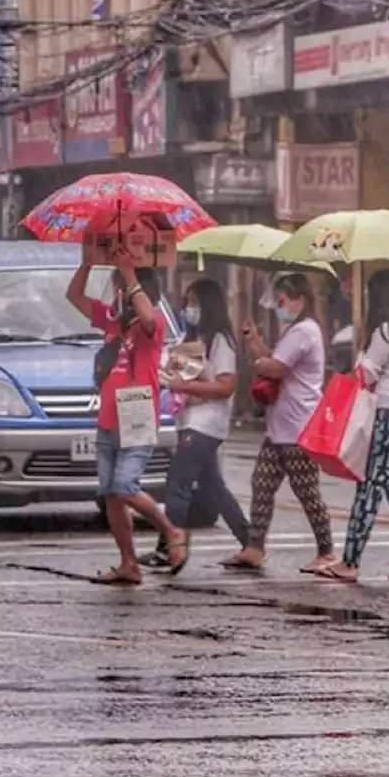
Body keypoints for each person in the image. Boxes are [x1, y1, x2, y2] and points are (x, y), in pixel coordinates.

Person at [65, 249, 188, 585]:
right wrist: (88, 262)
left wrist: (130, 274)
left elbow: (148, 318)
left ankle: (172, 532)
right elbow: (73, 296)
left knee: (125, 485)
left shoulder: (154, 325)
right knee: (110, 494)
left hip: (136, 416)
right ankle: (128, 563)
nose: (116, 290)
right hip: (107, 418)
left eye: (120, 285)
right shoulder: (112, 321)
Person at [317, 269, 389, 582]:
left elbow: (366, 376)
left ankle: (350, 562)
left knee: (369, 486)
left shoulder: (384, 332)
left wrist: (362, 355)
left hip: (388, 414)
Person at [223, 273, 334, 573]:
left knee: (307, 492)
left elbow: (276, 367)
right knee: (262, 484)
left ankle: (327, 552)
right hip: (280, 428)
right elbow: (271, 357)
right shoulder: (293, 330)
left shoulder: (305, 331)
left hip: (299, 428)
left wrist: (260, 364)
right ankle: (254, 548)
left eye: (283, 301)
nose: (279, 307)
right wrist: (251, 338)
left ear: (301, 300)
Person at [138, 279, 249, 568]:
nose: (189, 308)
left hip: (205, 423)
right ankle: (251, 542)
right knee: (214, 487)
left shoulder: (220, 340)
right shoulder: (191, 340)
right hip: (190, 420)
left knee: (178, 482)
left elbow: (226, 386)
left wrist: (185, 387)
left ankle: (171, 547)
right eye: (187, 302)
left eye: (195, 302)